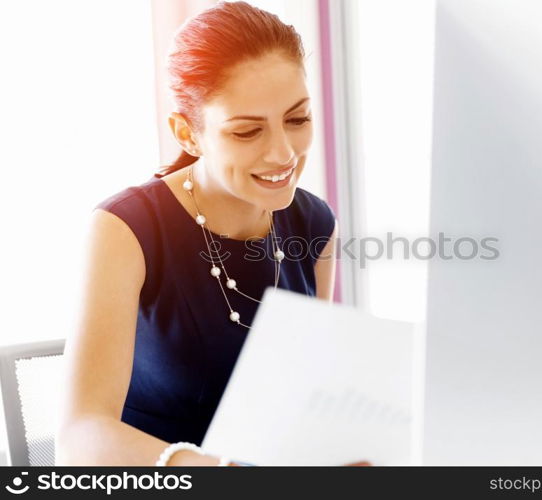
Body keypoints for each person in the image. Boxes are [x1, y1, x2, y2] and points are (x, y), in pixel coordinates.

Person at [56, 1, 366, 466]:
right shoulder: (126, 228)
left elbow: (305, 392)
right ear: (188, 133)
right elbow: (81, 436)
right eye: (247, 132)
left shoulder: (315, 224)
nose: (284, 153)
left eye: (298, 119)